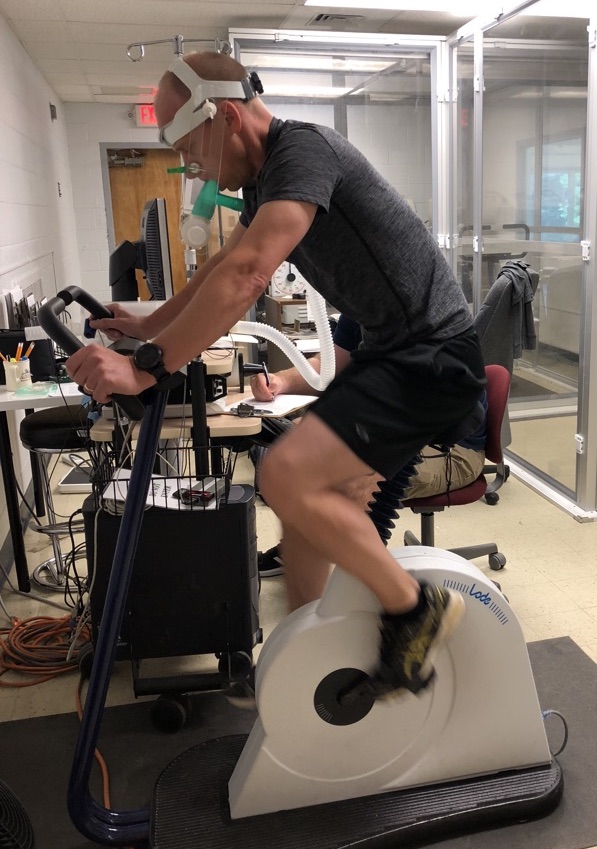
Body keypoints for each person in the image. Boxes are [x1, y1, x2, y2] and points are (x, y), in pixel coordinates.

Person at [65, 50, 487, 705]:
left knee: (281, 473)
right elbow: (219, 268)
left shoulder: (303, 152)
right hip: (392, 354)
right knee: (303, 521)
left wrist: (147, 371)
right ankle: (305, 665)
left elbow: (248, 275)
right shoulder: (263, 183)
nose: (193, 168)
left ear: (226, 117)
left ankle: (413, 610)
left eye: (190, 149)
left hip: (430, 356)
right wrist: (148, 330)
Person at [251, 314, 487, 577]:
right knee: (292, 459)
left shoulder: (417, 308)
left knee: (329, 480)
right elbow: (329, 367)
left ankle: (384, 590)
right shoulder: (359, 306)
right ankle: (306, 552)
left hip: (450, 447)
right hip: (395, 430)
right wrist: (280, 381)